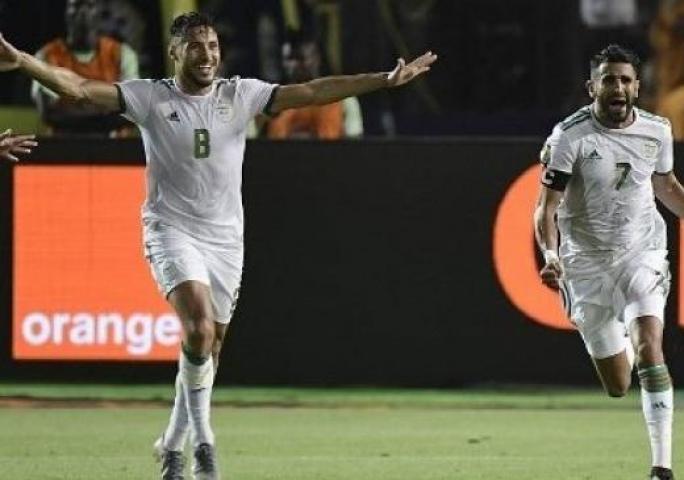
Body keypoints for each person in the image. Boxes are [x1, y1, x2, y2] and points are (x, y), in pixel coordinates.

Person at [0, 11, 436, 480]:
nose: (207, 55)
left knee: (208, 350)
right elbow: (78, 88)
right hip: (170, 230)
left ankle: (170, 444)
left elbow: (312, 90)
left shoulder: (240, 94)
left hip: (226, 239)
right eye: (195, 46)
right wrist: (24, 60)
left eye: (212, 45)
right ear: (175, 52)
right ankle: (204, 445)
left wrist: (384, 80)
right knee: (199, 329)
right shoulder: (149, 97)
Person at [534, 44, 684, 480]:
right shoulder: (570, 136)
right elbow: (545, 208)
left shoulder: (657, 131)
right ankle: (615, 334)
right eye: (608, 79)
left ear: (637, 87)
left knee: (649, 347)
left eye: (625, 79)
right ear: (592, 87)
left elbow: (667, 186)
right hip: (584, 263)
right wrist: (550, 255)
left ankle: (662, 467)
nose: (617, 87)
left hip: (641, 253)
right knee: (619, 384)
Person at [31, 0, 139, 136]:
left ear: (99, 13)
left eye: (89, 5)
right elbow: (49, 115)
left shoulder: (122, 54)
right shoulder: (46, 55)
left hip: (113, 149)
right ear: (66, 13)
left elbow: (133, 111)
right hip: (63, 149)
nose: (82, 12)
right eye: (75, 5)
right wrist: (105, 110)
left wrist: (73, 111)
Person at [267, 33, 364, 139]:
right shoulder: (270, 99)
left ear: (316, 59)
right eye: (290, 59)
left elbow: (355, 145)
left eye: (300, 58)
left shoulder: (345, 99)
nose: (294, 65)